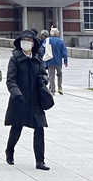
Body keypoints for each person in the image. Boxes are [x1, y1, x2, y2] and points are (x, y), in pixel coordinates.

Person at [4, 30, 50, 170]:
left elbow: (44, 74)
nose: (26, 42)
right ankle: (9, 150)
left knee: (40, 129)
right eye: (24, 40)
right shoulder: (15, 58)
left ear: (33, 43)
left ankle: (40, 160)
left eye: (29, 40)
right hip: (20, 99)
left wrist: (44, 80)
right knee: (17, 128)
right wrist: (16, 93)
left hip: (35, 99)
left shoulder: (37, 58)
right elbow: (10, 80)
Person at [44, 27, 68, 95]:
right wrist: (65, 61)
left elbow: (43, 49)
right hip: (58, 61)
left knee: (51, 76)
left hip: (50, 60)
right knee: (59, 74)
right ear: (57, 34)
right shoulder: (61, 41)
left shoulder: (47, 40)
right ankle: (60, 88)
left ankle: (52, 90)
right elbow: (64, 52)